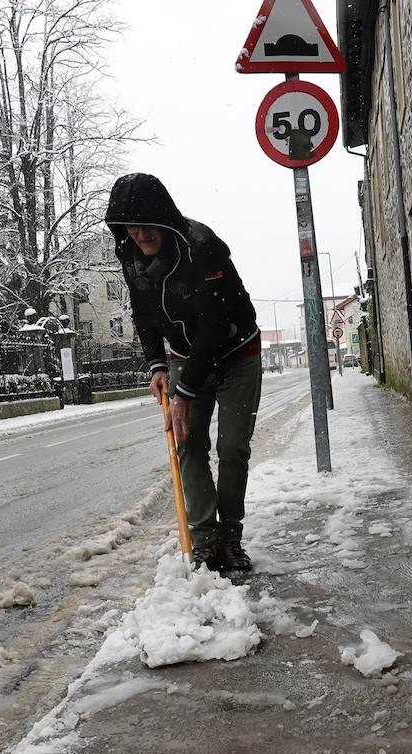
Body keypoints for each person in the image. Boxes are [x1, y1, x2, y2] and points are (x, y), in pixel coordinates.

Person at [104, 173, 262, 574]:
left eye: (145, 221)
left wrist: (184, 393)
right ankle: (206, 542)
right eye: (128, 224)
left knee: (232, 449)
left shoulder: (202, 248)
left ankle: (231, 538)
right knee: (188, 444)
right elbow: (144, 313)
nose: (138, 232)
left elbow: (214, 325)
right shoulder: (131, 255)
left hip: (235, 350)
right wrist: (157, 364)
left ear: (165, 217)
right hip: (182, 352)